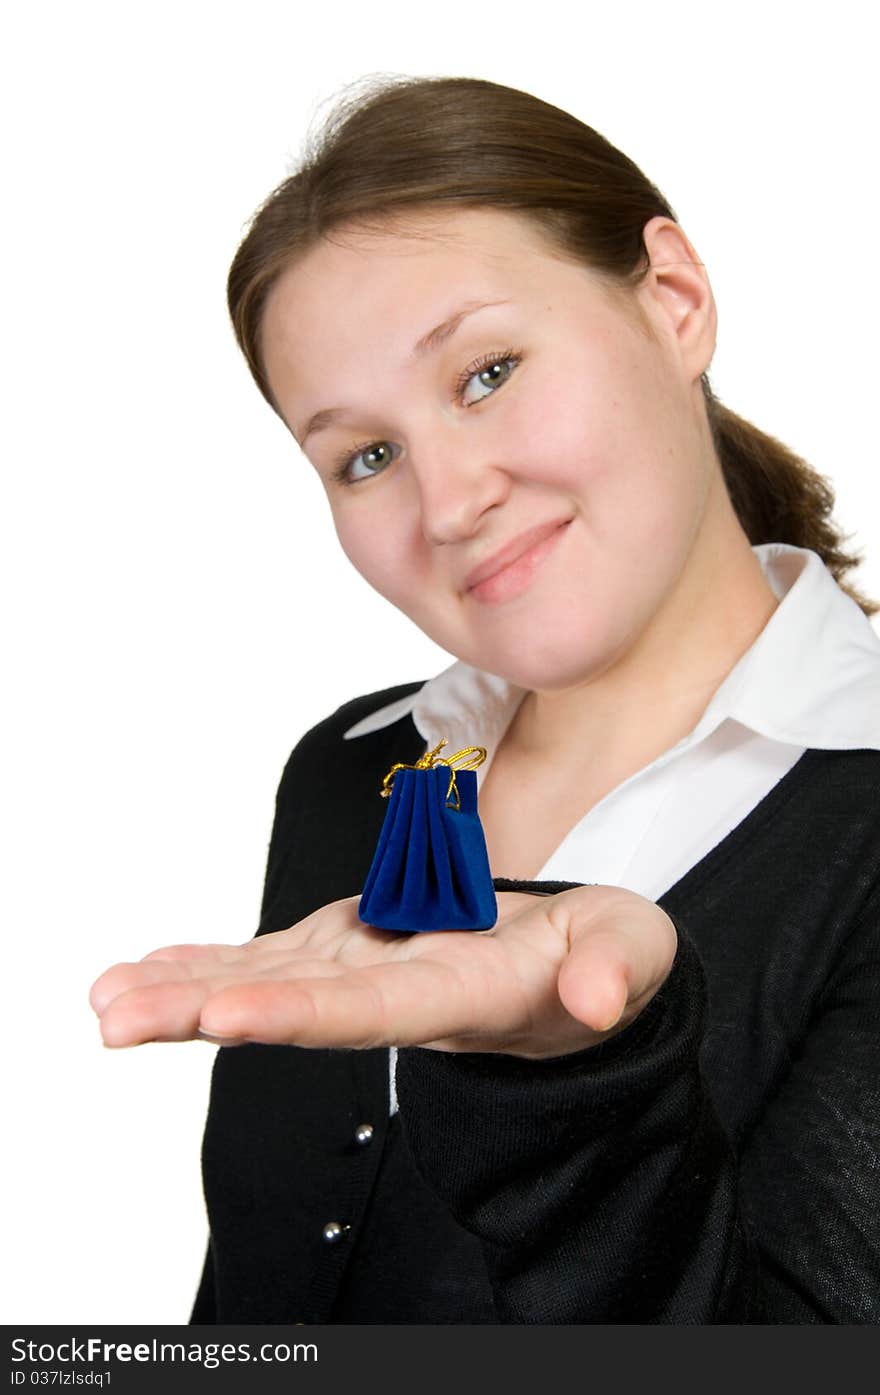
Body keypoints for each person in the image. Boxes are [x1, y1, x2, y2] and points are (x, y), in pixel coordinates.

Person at [89, 75, 880, 1324]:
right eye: (366, 457)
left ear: (672, 302)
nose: (447, 502)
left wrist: (573, 1079)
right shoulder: (351, 771)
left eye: (485, 371)